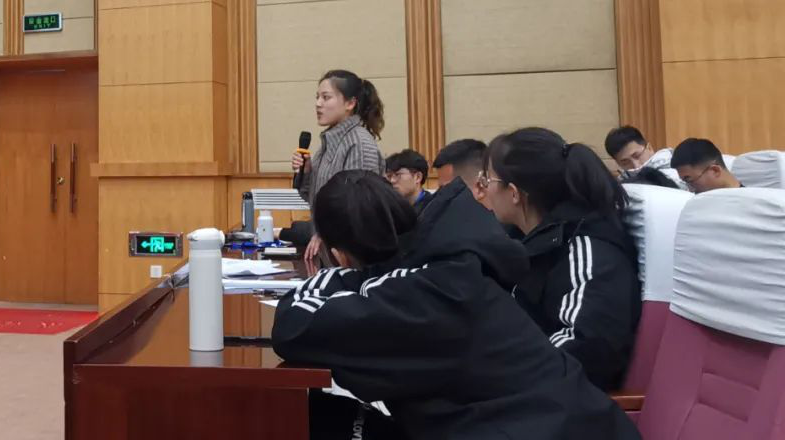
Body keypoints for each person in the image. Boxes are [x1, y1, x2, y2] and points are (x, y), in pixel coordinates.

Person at [272, 171, 641, 440]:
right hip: (559, 422)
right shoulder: (447, 265)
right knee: (327, 415)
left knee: (315, 420)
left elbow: (293, 322)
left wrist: (339, 279)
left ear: (340, 255)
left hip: (540, 429)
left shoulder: (418, 295)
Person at [481, 127, 641, 391]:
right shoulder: (526, 241)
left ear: (514, 192)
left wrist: (487, 369)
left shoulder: (588, 250)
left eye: (487, 179)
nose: (484, 190)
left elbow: (584, 349)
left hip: (556, 401)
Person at [290, 70, 385, 268]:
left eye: (326, 97)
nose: (318, 104)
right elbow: (315, 200)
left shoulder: (359, 143)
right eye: (317, 97)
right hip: (329, 254)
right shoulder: (328, 143)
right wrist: (307, 174)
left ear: (350, 103)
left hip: (353, 258)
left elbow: (358, 206)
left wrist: (324, 234)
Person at [604, 125, 685, 188]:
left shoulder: (679, 172)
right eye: (625, 163)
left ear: (649, 148)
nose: (636, 165)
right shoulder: (620, 186)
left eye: (637, 156)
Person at [670, 137, 742, 193]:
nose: (691, 190)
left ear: (715, 171)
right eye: (685, 182)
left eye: (690, 180)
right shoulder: (696, 204)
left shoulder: (747, 202)